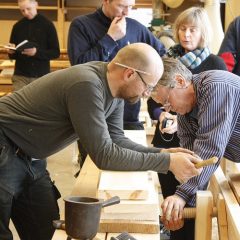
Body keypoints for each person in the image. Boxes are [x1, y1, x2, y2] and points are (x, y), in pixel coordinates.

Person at [0, 43, 202, 240]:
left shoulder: (115, 93)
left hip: (31, 155)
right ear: (130, 74)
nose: (146, 94)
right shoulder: (86, 85)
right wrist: (167, 164)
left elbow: (117, 140)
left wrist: (163, 154)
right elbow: (104, 155)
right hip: (4, 144)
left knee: (48, 231)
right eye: (148, 87)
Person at [147, 7, 227, 239]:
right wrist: (182, 203)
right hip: (176, 142)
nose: (187, 34)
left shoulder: (214, 79)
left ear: (181, 81)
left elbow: (210, 144)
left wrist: (183, 195)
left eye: (193, 29)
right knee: (177, 205)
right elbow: (193, 158)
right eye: (182, 28)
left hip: (215, 148)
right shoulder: (183, 101)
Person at [68, 0, 166, 166]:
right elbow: (80, 68)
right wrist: (110, 38)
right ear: (106, 1)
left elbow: (161, 54)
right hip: (93, 117)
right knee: (93, 174)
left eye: (130, 6)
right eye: (122, 6)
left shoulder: (136, 27)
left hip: (129, 116)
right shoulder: (81, 25)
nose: (127, 12)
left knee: (134, 170)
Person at [152, 57, 240, 240]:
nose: (169, 109)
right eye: (163, 106)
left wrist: (181, 195)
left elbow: (210, 148)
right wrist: (182, 207)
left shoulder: (215, 86)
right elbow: (192, 163)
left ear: (180, 81)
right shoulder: (185, 116)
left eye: (168, 101)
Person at [7, 0, 60, 91]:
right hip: (20, 76)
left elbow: (55, 52)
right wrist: (11, 51)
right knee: (18, 104)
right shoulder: (17, 26)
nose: (26, 13)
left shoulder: (48, 25)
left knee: (39, 105)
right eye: (22, 11)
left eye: (28, 9)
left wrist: (36, 52)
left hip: (40, 76)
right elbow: (14, 55)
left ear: (36, 5)